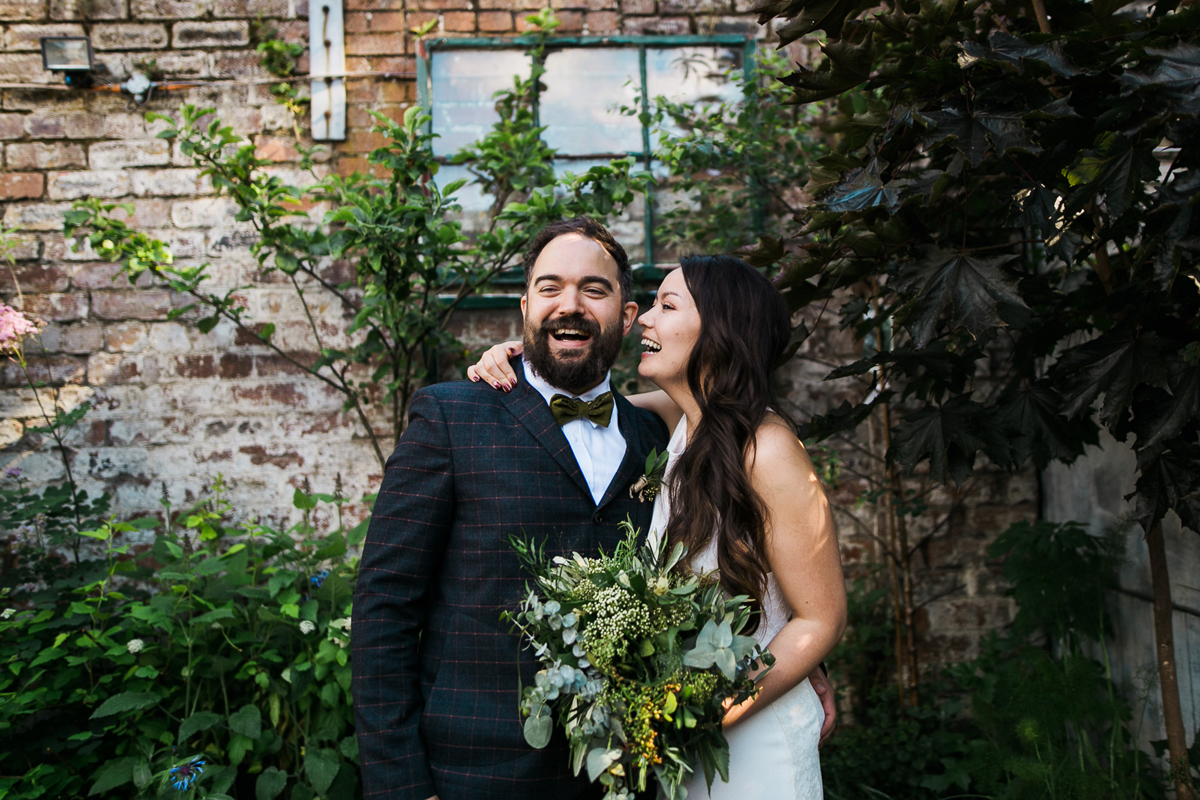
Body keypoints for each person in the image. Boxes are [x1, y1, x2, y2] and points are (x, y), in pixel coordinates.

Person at [468, 253, 847, 799]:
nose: (644, 317)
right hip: (688, 747)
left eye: (667, 306)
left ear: (720, 331)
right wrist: (515, 358)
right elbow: (575, 404)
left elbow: (821, 619)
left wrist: (690, 716)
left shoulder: (767, 450)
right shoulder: (680, 422)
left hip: (750, 740)